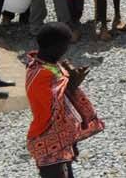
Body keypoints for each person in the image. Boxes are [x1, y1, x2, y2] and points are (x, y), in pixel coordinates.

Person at [25, 23, 104, 177]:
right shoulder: (40, 74)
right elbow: (53, 104)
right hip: (47, 137)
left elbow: (60, 94)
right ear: (54, 47)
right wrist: (72, 83)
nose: (66, 50)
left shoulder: (47, 64)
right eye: (64, 46)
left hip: (59, 138)